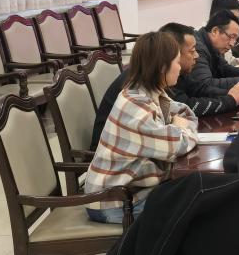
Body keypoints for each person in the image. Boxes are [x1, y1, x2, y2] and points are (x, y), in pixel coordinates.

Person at [89, 21, 239, 148]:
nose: (196, 56)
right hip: (126, 170)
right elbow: (181, 132)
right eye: (191, 52)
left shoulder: (158, 78)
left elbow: (186, 109)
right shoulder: (139, 91)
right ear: (168, 59)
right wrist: (230, 100)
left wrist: (236, 94)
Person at [84, 32, 199, 222]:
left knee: (197, 194)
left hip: (135, 191)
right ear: (162, 67)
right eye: (177, 62)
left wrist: (178, 127)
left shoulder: (149, 91)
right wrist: (180, 129)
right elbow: (177, 145)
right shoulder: (135, 105)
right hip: (114, 202)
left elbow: (187, 114)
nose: (180, 67)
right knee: (194, 209)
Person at [191, 11, 239, 98]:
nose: (232, 44)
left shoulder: (213, 46)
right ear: (215, 31)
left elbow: (225, 69)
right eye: (231, 37)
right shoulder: (196, 47)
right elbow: (205, 84)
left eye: (235, 40)